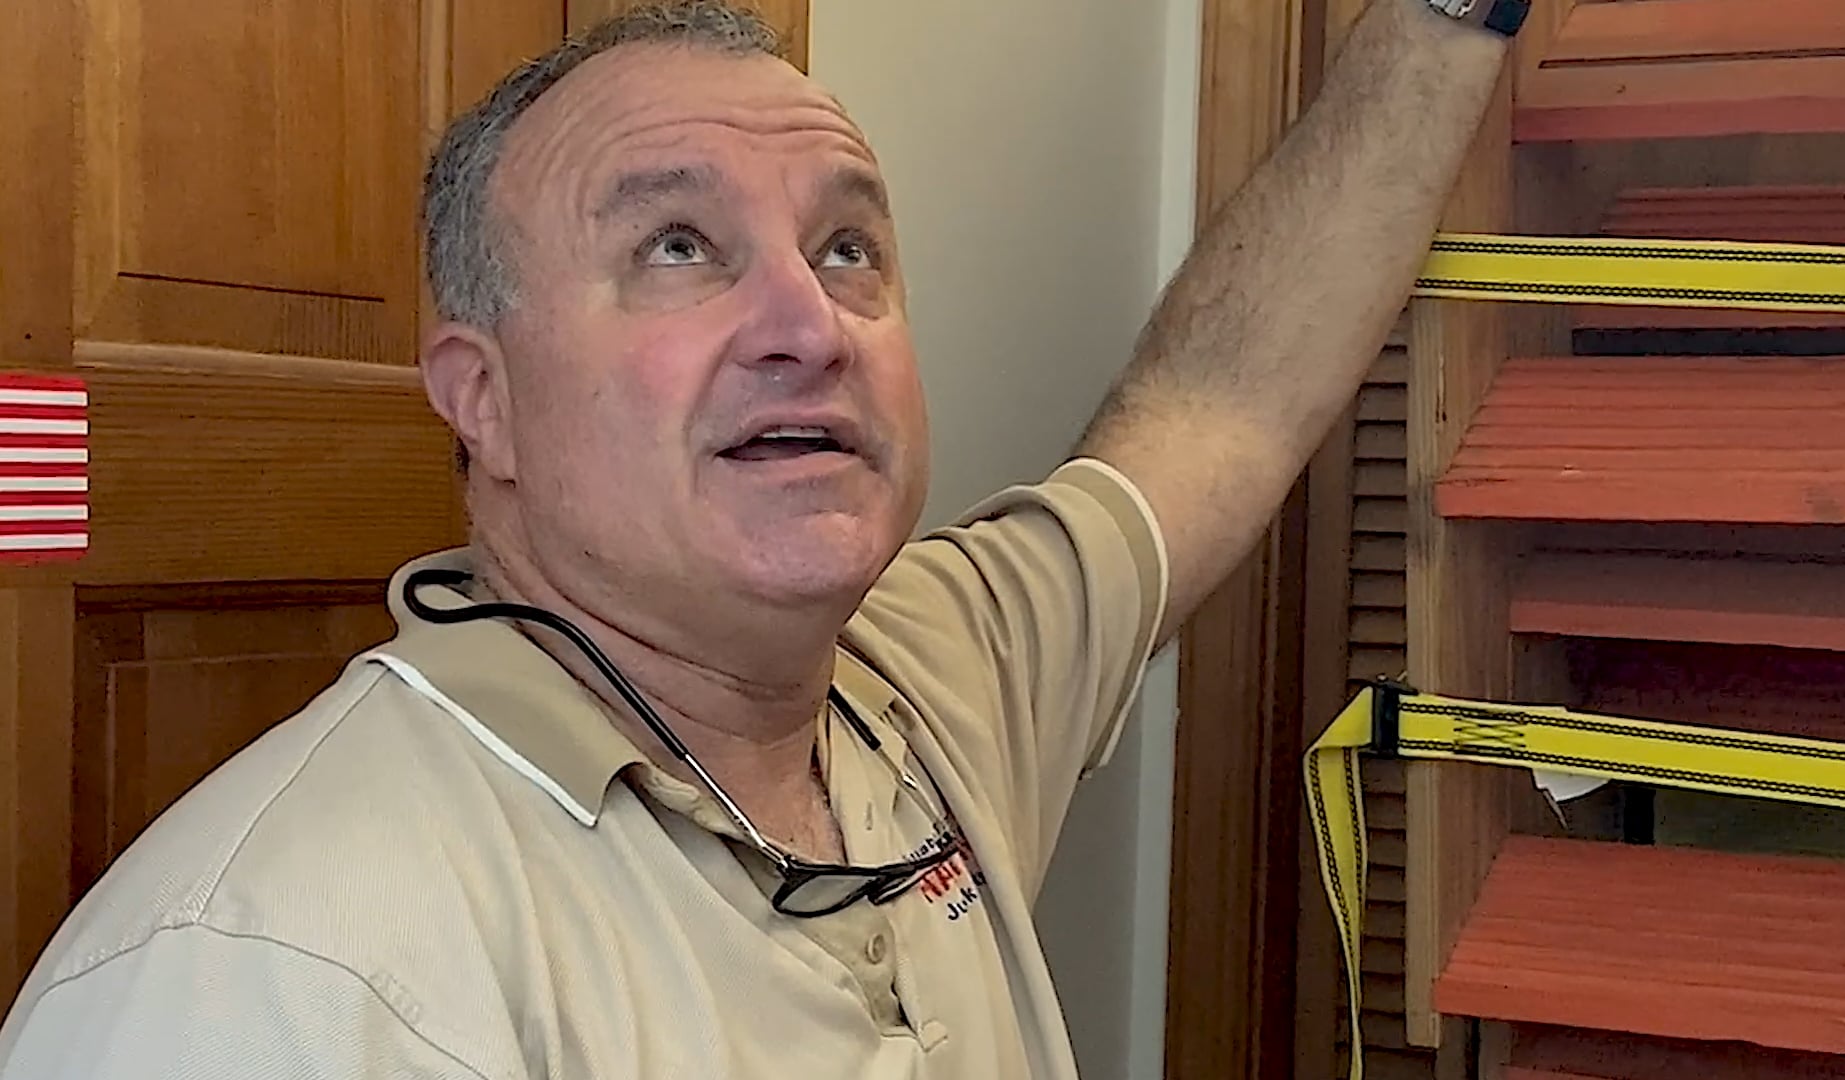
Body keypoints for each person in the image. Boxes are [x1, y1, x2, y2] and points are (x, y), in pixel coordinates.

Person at [0, 0, 1516, 1075]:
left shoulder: (935, 678)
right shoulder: (274, 976)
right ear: (488, 405)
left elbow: (1220, 405)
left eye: (847, 247)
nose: (809, 324)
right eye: (677, 248)